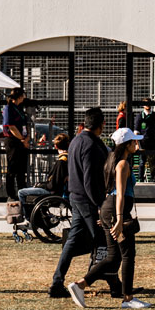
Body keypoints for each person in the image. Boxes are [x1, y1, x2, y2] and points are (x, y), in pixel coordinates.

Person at [67, 128, 151, 309]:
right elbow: (119, 194)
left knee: (113, 257)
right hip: (116, 211)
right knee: (128, 255)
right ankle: (128, 298)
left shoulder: (111, 161)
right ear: (126, 144)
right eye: (134, 141)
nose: (136, 144)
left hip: (109, 210)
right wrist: (118, 219)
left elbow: (109, 191)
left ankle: (80, 284)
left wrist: (105, 214)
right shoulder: (123, 164)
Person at [49, 107, 108, 299]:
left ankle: (57, 282)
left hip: (75, 196)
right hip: (87, 199)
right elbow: (90, 179)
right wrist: (100, 204)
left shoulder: (76, 141)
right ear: (101, 125)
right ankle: (94, 281)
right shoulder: (91, 145)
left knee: (73, 240)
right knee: (102, 240)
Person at [17, 133, 71, 209]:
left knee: (21, 192)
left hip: (52, 192)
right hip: (57, 190)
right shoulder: (68, 158)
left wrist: (41, 185)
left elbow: (53, 184)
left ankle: (27, 215)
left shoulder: (61, 162)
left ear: (55, 146)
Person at [2, 87, 31, 200]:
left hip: (22, 140)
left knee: (21, 170)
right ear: (19, 97)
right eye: (23, 95)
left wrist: (27, 138)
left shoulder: (20, 108)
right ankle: (11, 194)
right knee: (12, 168)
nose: (24, 98)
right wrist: (22, 139)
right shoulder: (8, 108)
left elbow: (25, 124)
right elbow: (11, 127)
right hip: (13, 141)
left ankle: (22, 191)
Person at [135, 99, 155, 182]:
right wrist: (137, 143)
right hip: (143, 141)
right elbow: (136, 130)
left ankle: (152, 178)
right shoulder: (139, 116)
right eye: (145, 103)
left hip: (153, 141)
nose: (147, 105)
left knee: (152, 160)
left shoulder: (154, 115)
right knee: (142, 161)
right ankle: (141, 178)